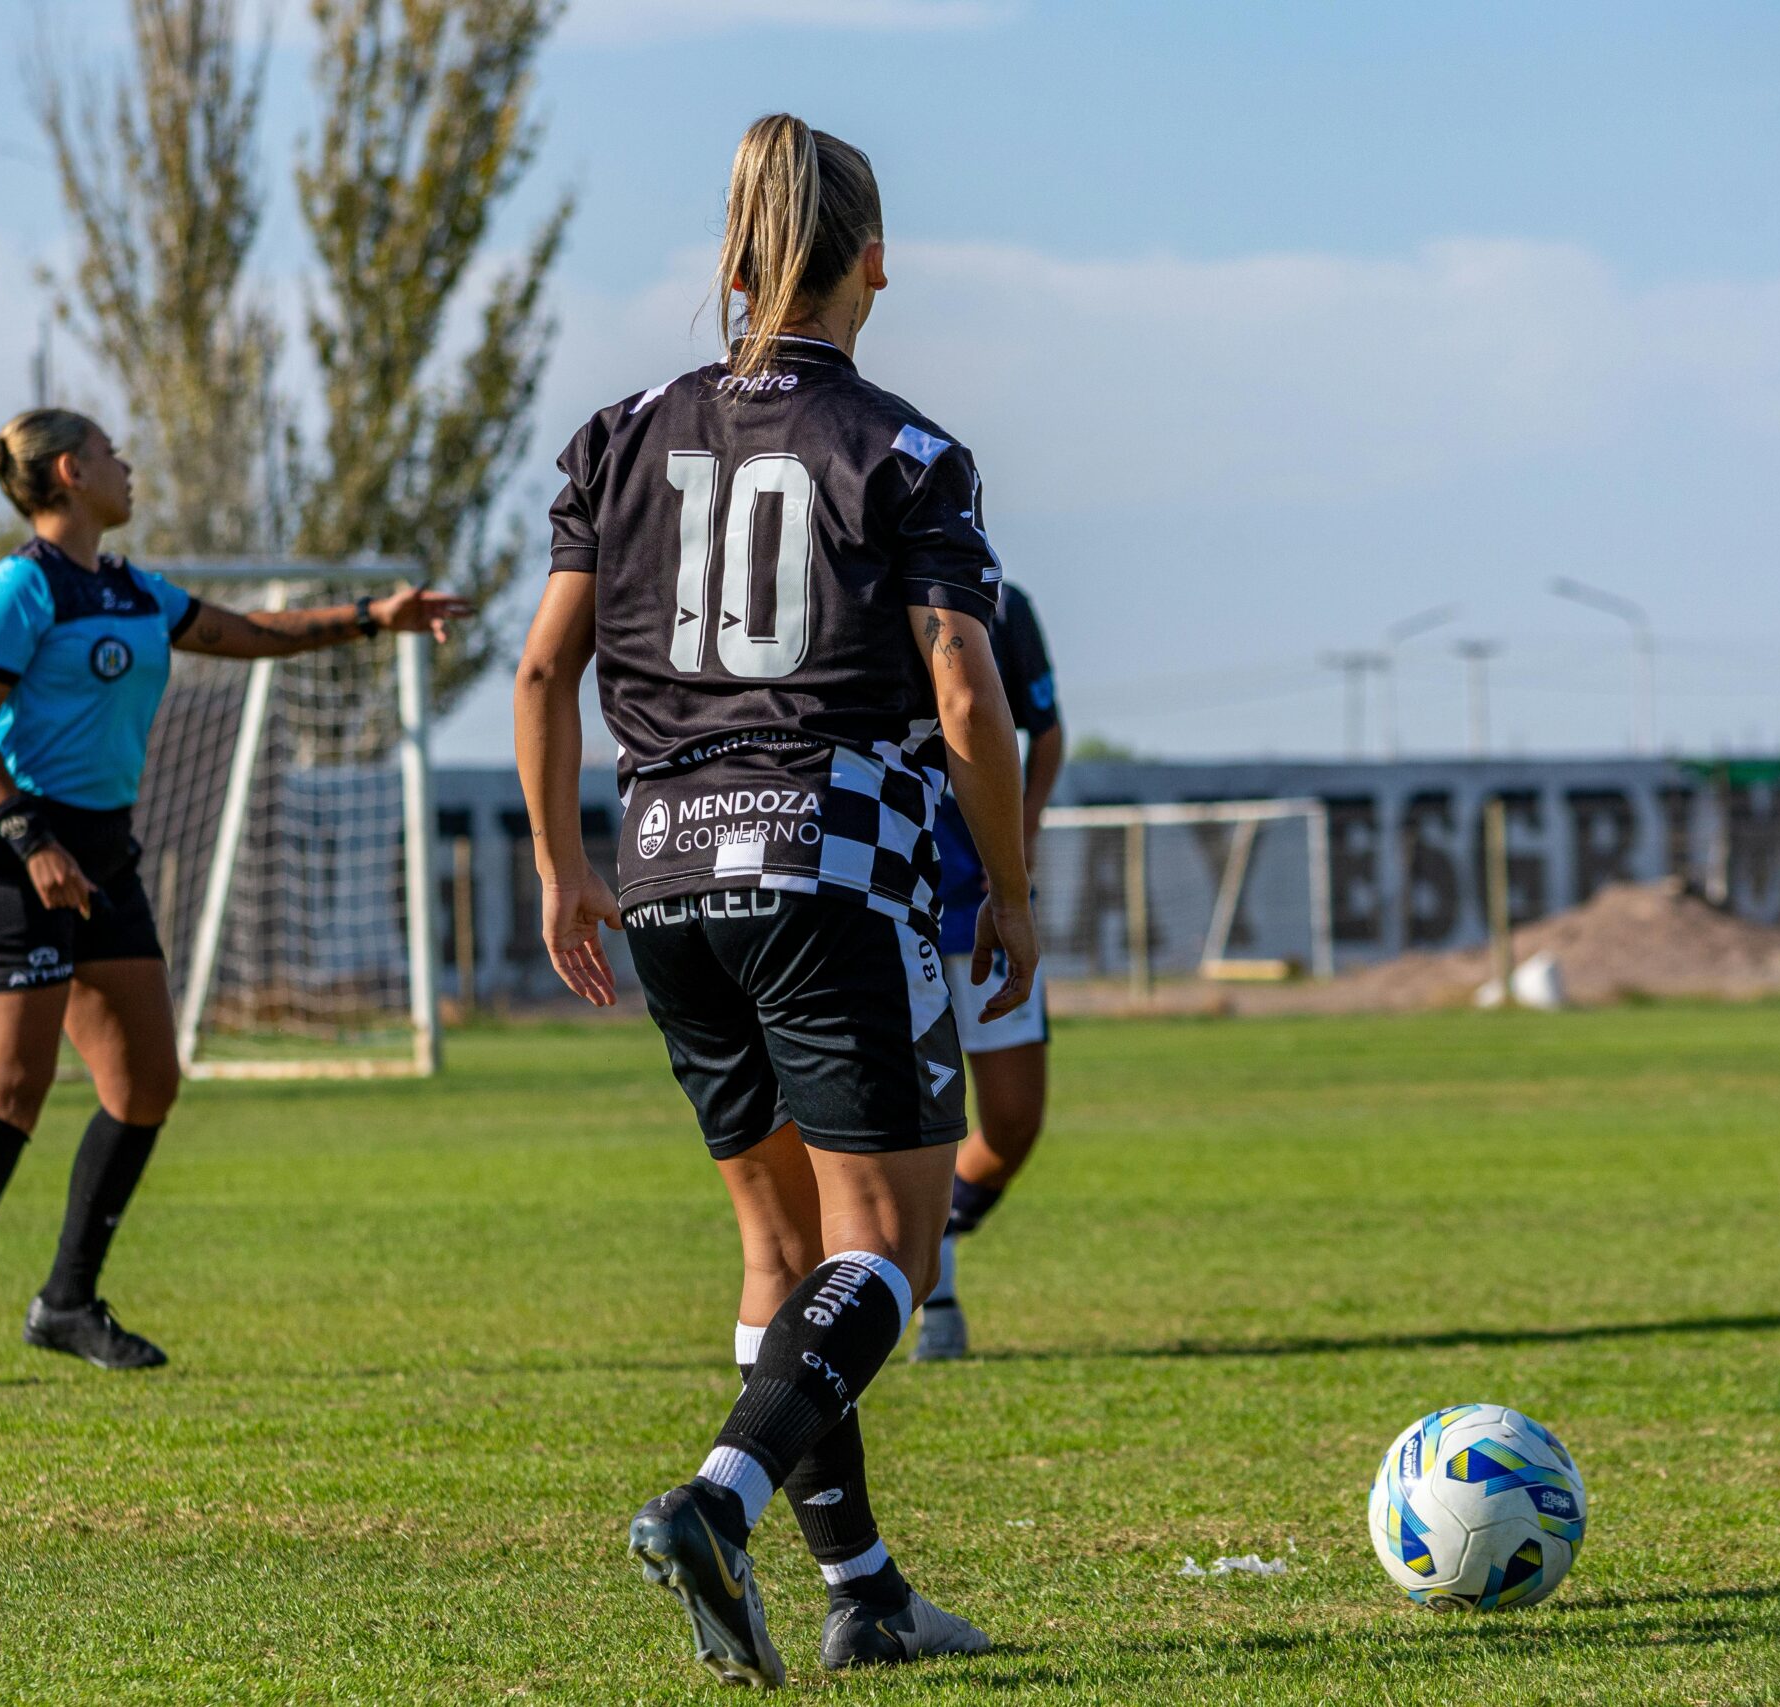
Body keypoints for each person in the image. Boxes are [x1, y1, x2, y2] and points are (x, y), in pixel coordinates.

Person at [514, 114, 1038, 1686]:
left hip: (665, 870)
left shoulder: (616, 435)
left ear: (734, 265)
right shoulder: (906, 449)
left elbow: (543, 670)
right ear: (876, 263)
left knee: (777, 1242)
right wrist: (1009, 890)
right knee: (891, 1249)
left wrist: (559, 866)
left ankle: (864, 1589)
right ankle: (717, 1499)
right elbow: (967, 693)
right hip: (831, 860)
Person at [0, 409, 469, 1389]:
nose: (129, 464)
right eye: (113, 453)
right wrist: (31, 842)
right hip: (12, 858)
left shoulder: (132, 589)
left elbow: (254, 633)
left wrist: (375, 615)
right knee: (14, 1089)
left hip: (102, 858)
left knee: (146, 1084)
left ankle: (66, 1302)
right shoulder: (19, 588)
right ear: (71, 472)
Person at [912, 580, 1065, 1360]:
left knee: (1011, 1122)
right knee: (917, 1119)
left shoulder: (1003, 606)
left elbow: (1048, 733)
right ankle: (933, 1303)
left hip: (983, 897)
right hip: (889, 892)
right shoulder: (855, 592)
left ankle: (927, 1240)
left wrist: (1019, 838)